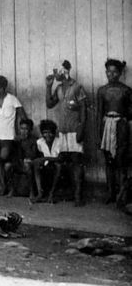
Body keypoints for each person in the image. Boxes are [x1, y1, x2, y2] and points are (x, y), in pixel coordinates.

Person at [45, 60, 88, 206]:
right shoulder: (58, 88)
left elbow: (83, 108)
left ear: (64, 71)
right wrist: (48, 86)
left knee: (77, 162)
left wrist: (81, 128)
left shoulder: (76, 87)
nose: (55, 73)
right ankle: (67, 193)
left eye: (57, 71)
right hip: (63, 131)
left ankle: (78, 196)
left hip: (74, 130)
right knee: (64, 162)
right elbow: (49, 104)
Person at [97, 58, 131, 206]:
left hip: (121, 126)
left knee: (121, 160)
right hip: (106, 126)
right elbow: (99, 113)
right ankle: (110, 193)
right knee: (108, 160)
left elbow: (130, 112)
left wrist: (122, 120)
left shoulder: (126, 90)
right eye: (109, 72)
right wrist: (99, 134)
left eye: (115, 72)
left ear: (120, 73)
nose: (111, 74)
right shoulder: (102, 90)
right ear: (106, 72)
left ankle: (122, 195)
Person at [0, 75, 27, 196]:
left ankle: (10, 187)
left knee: (3, 159)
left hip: (8, 135)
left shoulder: (12, 99)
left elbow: (22, 116)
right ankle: (4, 187)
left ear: (3, 88)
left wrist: (21, 133)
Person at [32, 120, 63, 203]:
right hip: (47, 167)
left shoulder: (60, 141)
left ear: (54, 132)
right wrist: (42, 160)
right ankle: (39, 193)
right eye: (45, 132)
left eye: (50, 132)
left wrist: (46, 159)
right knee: (37, 164)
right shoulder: (40, 142)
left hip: (58, 167)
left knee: (58, 166)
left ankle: (51, 193)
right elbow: (39, 157)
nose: (47, 135)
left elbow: (60, 158)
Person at [8, 118, 39, 200]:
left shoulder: (34, 140)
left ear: (30, 130)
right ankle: (12, 189)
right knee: (7, 166)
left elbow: (33, 154)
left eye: (26, 129)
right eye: (22, 128)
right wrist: (18, 142)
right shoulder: (17, 139)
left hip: (29, 162)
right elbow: (13, 154)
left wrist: (26, 158)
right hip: (19, 162)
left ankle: (31, 192)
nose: (24, 131)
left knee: (27, 167)